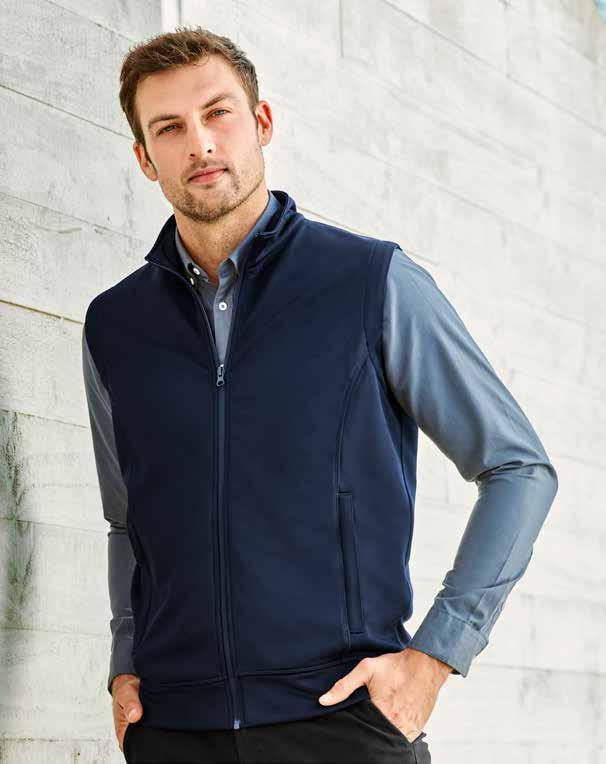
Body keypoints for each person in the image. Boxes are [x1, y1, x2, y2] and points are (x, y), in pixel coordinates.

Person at [81, 25, 559, 764]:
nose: (199, 143)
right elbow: (126, 521)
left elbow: (518, 467)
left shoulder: (370, 283)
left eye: (218, 113)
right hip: (174, 728)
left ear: (262, 123)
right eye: (168, 128)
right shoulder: (116, 325)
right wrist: (125, 663)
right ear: (145, 158)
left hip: (341, 723)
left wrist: (435, 656)